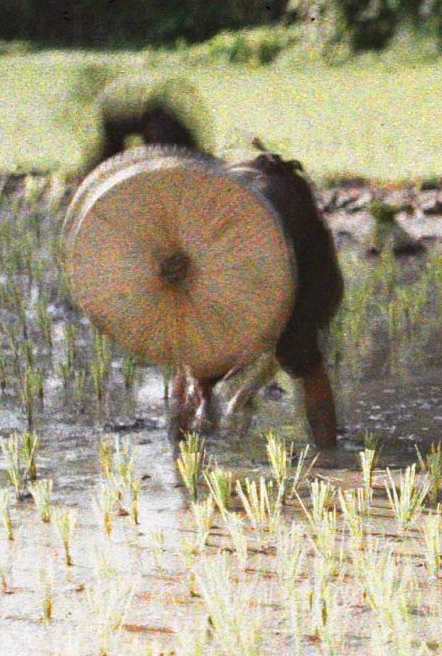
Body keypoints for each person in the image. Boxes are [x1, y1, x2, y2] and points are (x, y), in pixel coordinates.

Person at [91, 97, 346, 451]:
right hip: (231, 260)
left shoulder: (246, 209)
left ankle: (329, 454)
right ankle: (184, 458)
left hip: (287, 253)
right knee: (199, 363)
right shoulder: (171, 200)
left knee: (298, 352)